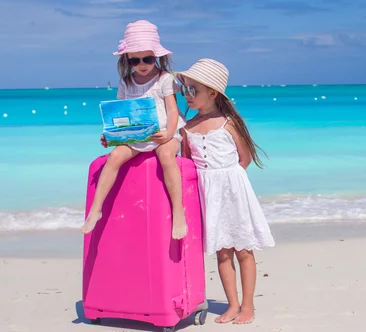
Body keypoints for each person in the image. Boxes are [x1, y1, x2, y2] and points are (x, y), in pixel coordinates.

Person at [178, 58, 275, 324]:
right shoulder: (187, 128)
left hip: (234, 191)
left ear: (212, 92)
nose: (187, 95)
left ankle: (248, 305)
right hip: (208, 195)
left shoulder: (228, 123)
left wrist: (227, 182)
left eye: (193, 90)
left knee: (243, 249)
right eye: (184, 89)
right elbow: (187, 164)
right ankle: (231, 305)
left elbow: (243, 159)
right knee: (222, 252)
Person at [80, 20, 188, 240]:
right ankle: (96, 209)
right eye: (135, 60)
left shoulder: (164, 79)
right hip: (137, 136)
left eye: (147, 59)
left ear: (157, 56)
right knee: (115, 157)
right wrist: (110, 135)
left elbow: (172, 110)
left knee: (167, 155)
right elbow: (121, 115)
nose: (142, 64)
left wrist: (168, 134)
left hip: (165, 133)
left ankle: (178, 211)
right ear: (127, 60)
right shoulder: (126, 83)